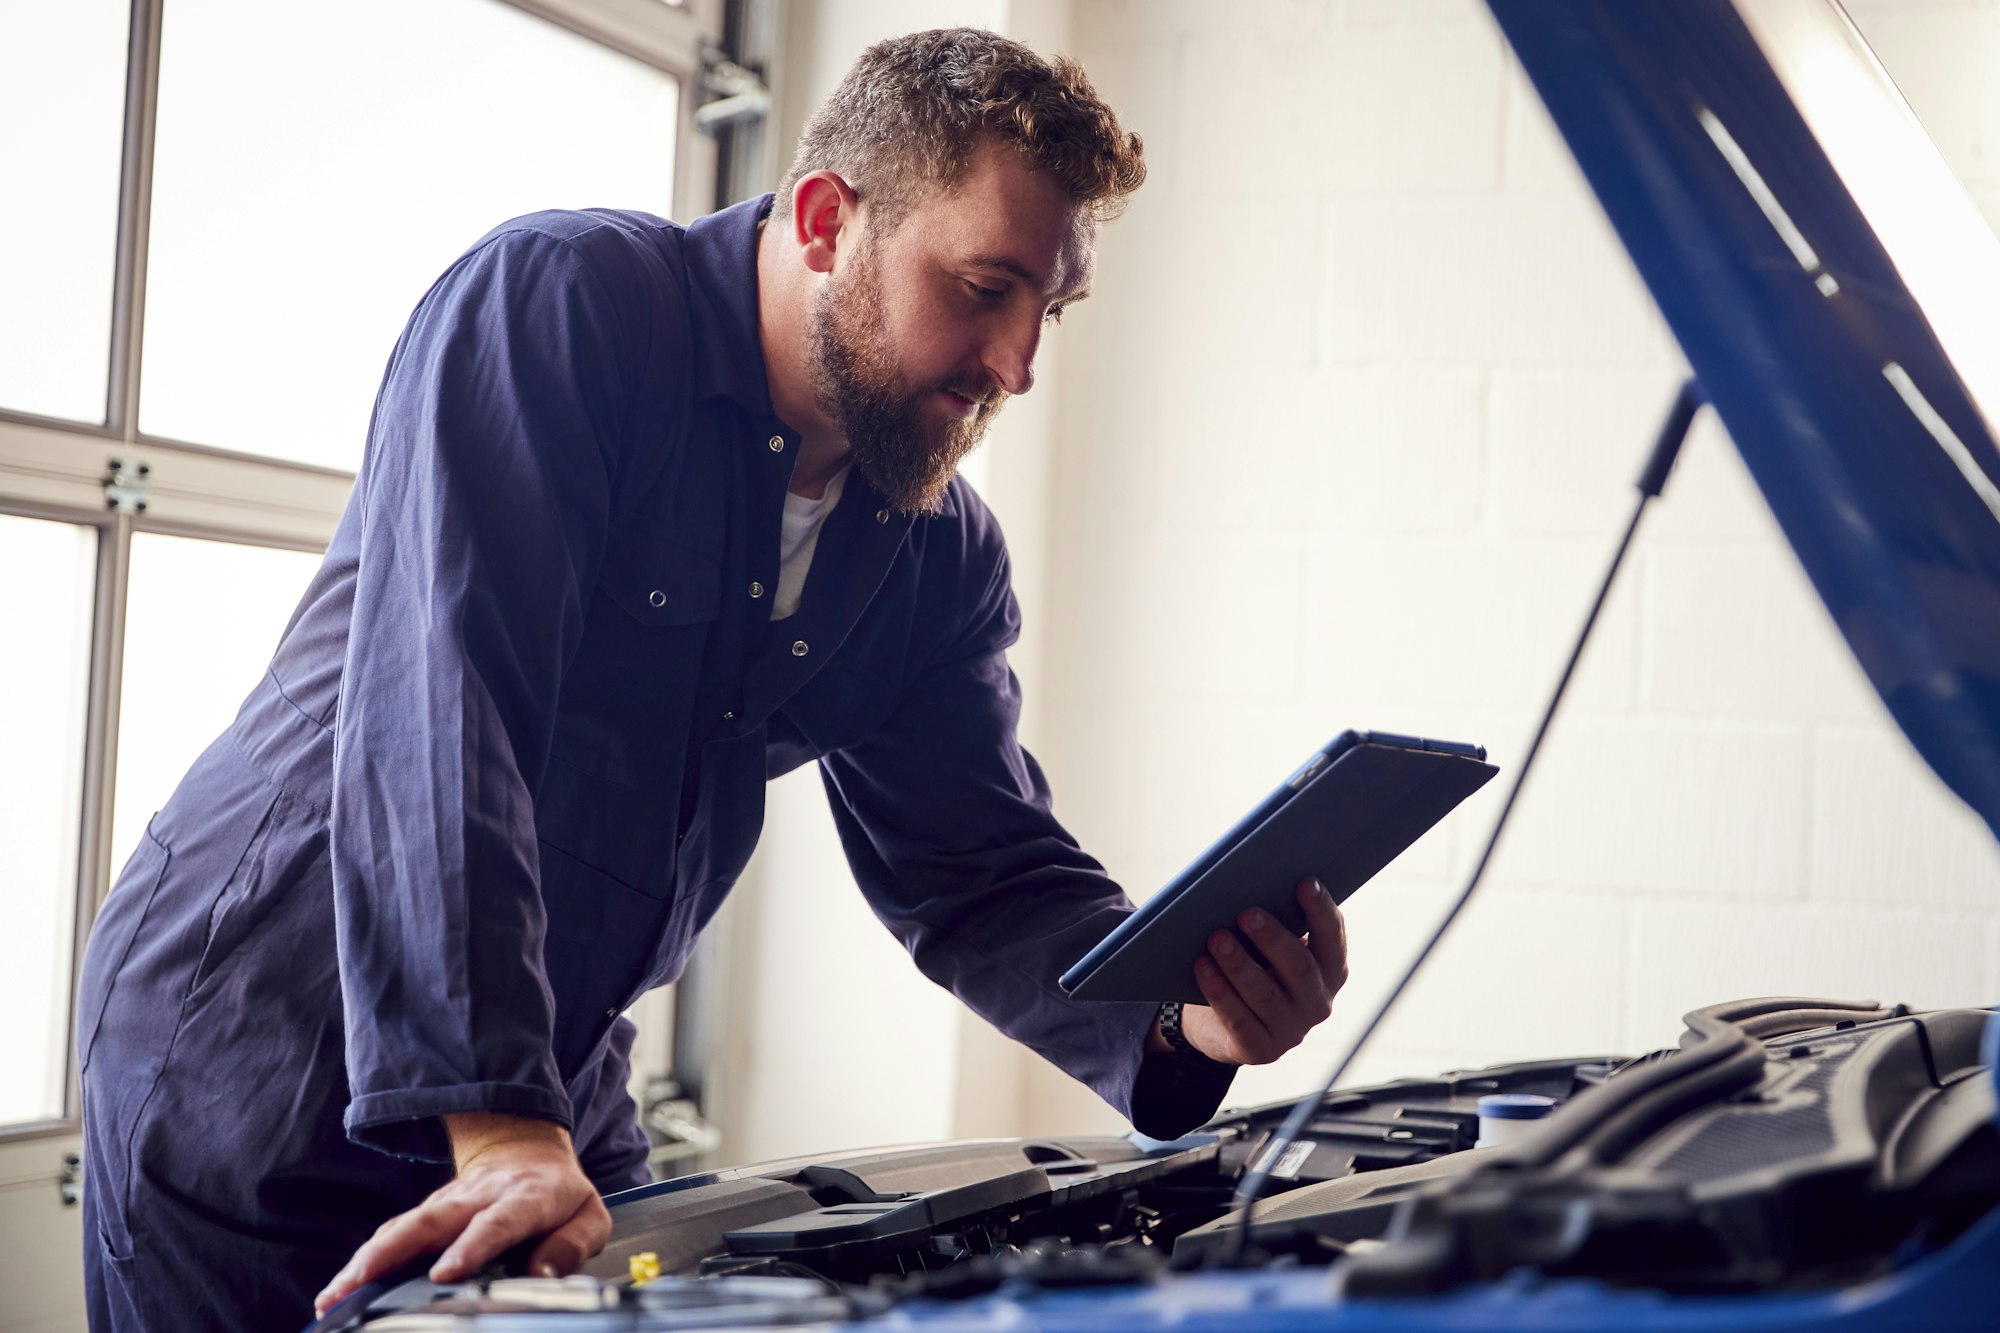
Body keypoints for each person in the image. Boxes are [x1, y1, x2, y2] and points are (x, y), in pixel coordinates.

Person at [74, 28, 1348, 1332]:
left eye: (1049, 311)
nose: (1016, 366)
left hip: (549, 1075)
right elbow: (446, 725)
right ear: (821, 220)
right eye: (981, 287)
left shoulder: (935, 553)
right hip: (262, 1043)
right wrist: (500, 1122)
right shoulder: (561, 312)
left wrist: (1190, 1020)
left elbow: (982, 873)